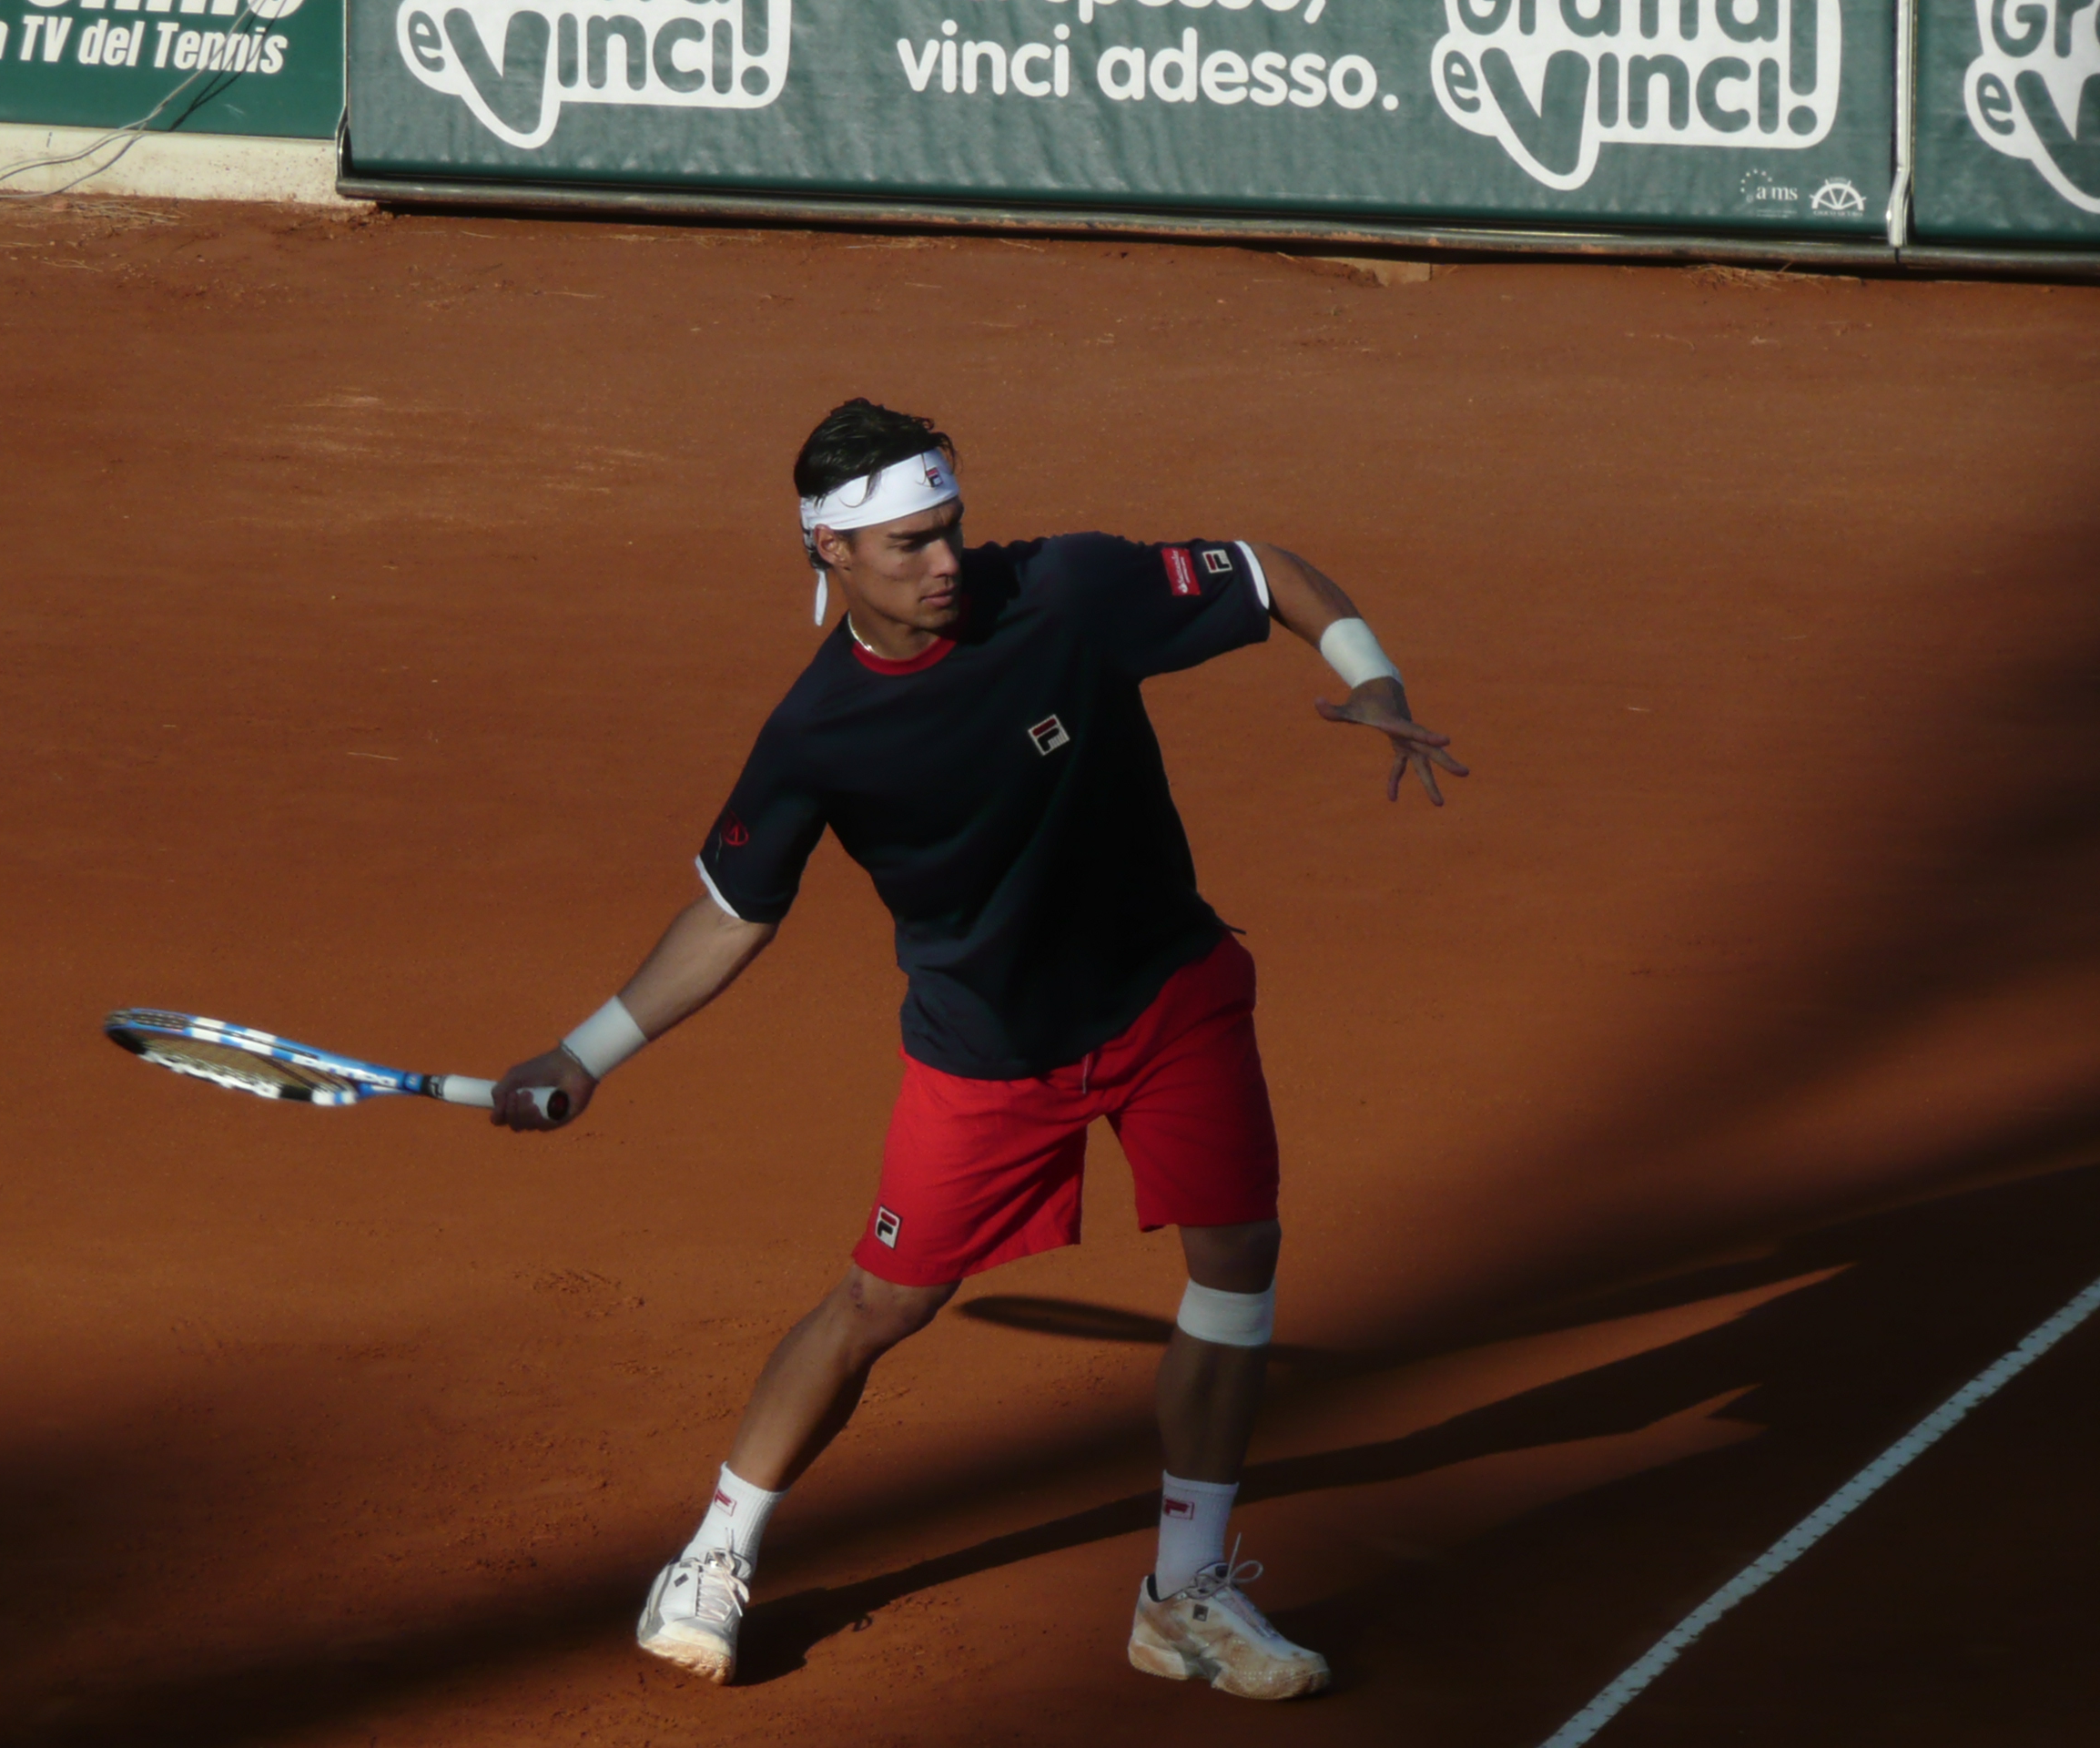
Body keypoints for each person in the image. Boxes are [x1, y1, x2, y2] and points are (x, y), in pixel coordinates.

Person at [492, 399, 1465, 1701]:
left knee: (1238, 1266)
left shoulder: (1061, 591)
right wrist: (583, 1053)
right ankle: (717, 1552)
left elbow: (1264, 569)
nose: (946, 561)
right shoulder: (817, 735)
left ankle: (1183, 1593)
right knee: (882, 1304)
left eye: (950, 529)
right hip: (989, 1052)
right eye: (908, 544)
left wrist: (1375, 677)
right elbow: (731, 916)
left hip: (1167, 995)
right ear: (830, 555)